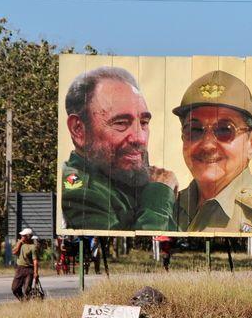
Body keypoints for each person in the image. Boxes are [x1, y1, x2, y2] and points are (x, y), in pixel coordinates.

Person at [61, 66, 178, 231]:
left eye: (143, 122)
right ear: (78, 129)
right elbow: (143, 243)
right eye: (121, 123)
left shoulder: (122, 175)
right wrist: (160, 194)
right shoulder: (80, 193)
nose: (140, 138)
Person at [173, 70, 252, 234]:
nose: (208, 145)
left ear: (251, 143)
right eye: (194, 130)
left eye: (224, 130)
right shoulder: (169, 208)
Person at [11, 228, 39, 301]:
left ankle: (27, 302)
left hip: (29, 270)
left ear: (28, 236)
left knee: (27, 289)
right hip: (20, 269)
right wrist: (19, 243)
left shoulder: (33, 247)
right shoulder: (20, 243)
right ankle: (23, 300)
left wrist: (36, 273)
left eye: (23, 235)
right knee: (15, 288)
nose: (22, 237)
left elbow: (35, 260)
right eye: (22, 235)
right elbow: (14, 252)